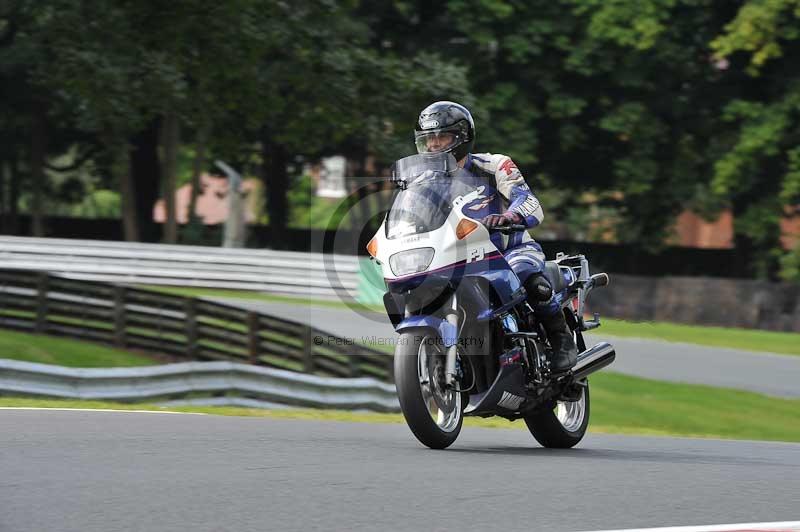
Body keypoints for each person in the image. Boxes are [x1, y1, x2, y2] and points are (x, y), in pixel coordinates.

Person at [414, 100, 577, 372]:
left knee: (524, 272)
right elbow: (409, 220)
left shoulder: (495, 165)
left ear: (462, 138)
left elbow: (528, 201)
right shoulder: (420, 184)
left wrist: (510, 217)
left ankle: (561, 339)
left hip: (510, 249)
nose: (433, 145)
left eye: (441, 137)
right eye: (428, 139)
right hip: (458, 259)